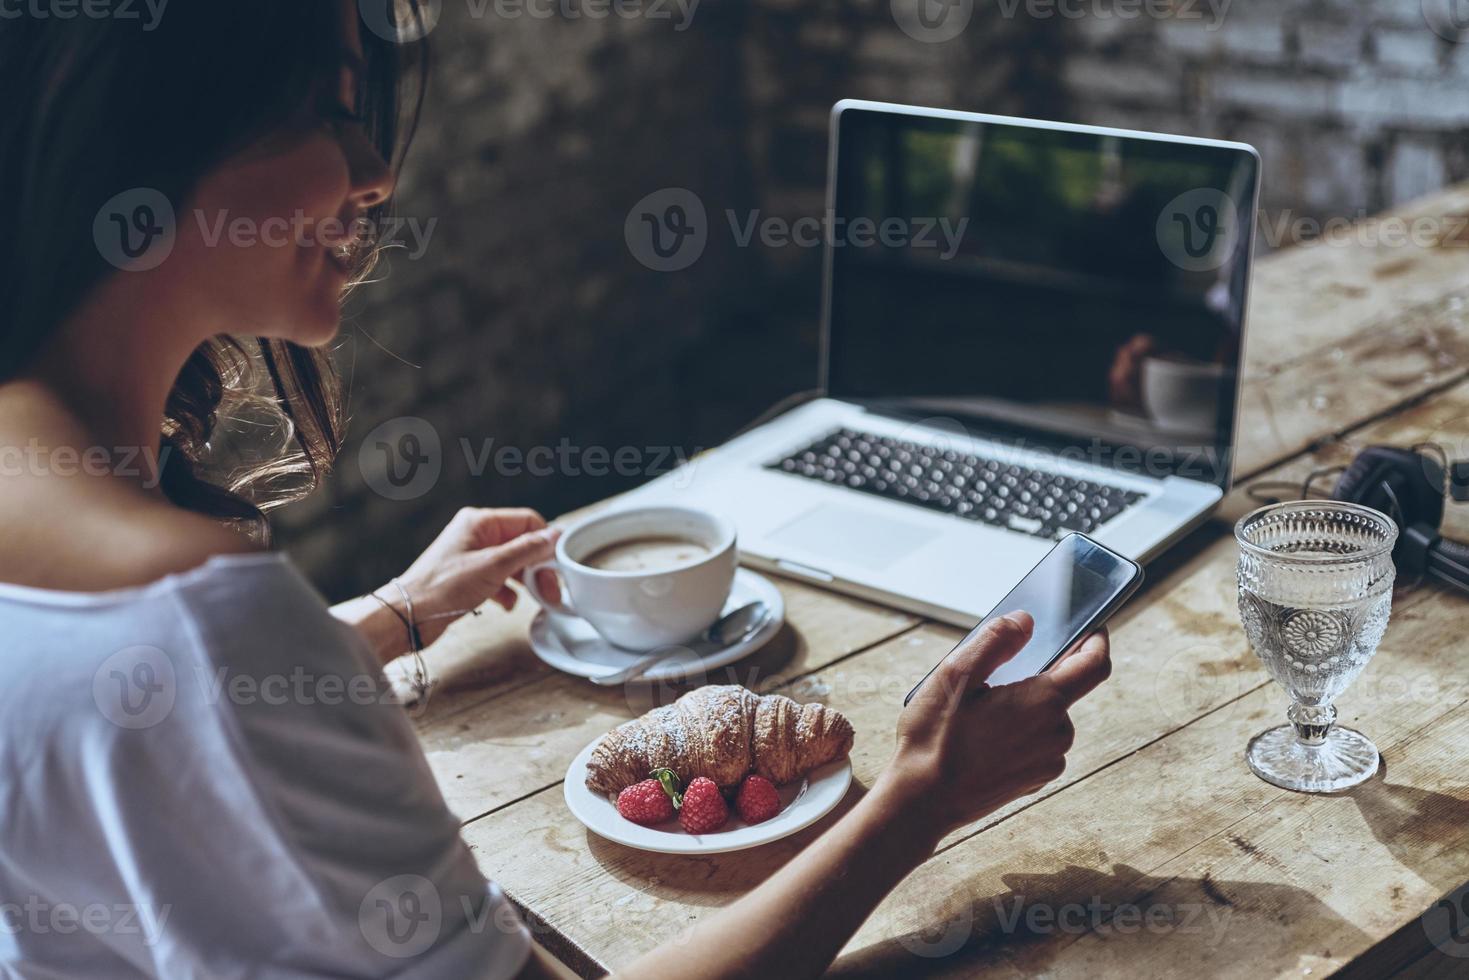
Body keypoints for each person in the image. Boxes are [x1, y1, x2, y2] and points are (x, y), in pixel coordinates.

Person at [0, 4, 1112, 977]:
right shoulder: (209, 622)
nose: (372, 167)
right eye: (322, 107)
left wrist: (393, 614)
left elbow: (121, 705)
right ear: (131, 139)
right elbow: (196, 677)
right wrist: (917, 795)